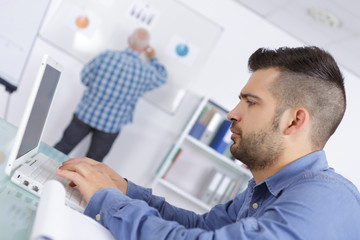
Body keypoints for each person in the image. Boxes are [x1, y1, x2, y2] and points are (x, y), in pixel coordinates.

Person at [56, 46, 360, 239]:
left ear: (294, 121)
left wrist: (108, 201)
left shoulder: (326, 200)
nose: (232, 113)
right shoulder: (263, 188)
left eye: (251, 103)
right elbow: (200, 228)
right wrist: (124, 190)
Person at [54, 28, 167, 162]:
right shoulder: (147, 72)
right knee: (93, 163)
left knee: (63, 147)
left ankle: (38, 174)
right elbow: (163, 77)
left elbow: (84, 77)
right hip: (111, 125)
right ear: (146, 47)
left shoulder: (107, 55)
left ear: (129, 40)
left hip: (86, 113)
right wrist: (152, 57)